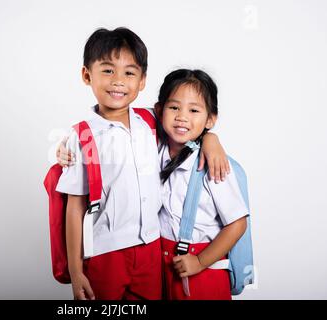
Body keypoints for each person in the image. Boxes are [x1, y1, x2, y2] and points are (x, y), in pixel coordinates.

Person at [55, 27, 228, 300]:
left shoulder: (150, 121)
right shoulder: (83, 136)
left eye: (129, 72)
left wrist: (212, 138)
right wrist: (76, 272)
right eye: (108, 70)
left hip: (151, 247)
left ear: (143, 80)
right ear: (87, 75)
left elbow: (187, 124)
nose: (119, 81)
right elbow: (74, 208)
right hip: (105, 251)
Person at [155, 69, 249, 300]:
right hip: (162, 268)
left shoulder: (214, 165)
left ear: (210, 119)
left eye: (194, 110)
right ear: (159, 110)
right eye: (174, 107)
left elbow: (237, 224)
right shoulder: (153, 149)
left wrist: (199, 261)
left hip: (203, 271)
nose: (182, 117)